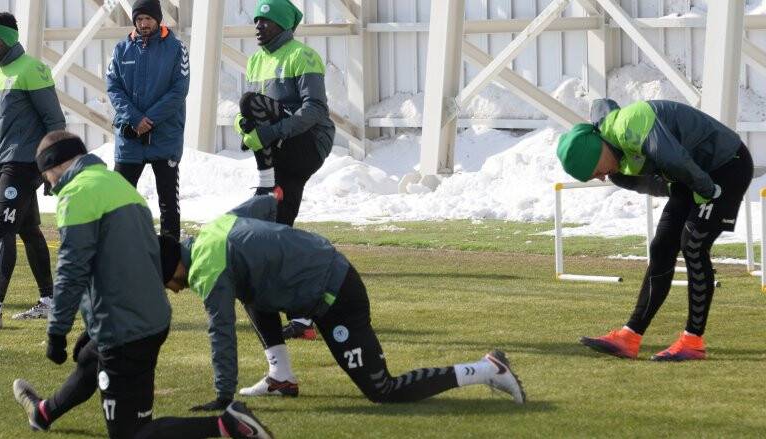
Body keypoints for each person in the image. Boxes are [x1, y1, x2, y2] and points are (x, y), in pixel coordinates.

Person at [11, 131, 272, 439]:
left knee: (132, 434)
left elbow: (72, 268)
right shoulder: (119, 185)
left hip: (125, 329)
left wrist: (57, 331)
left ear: (54, 166)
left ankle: (229, 424)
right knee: (90, 361)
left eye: (46, 177)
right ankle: (43, 413)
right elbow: (131, 262)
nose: (49, 185)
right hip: (150, 317)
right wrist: (94, 327)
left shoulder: (76, 194)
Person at [158, 195, 527, 411]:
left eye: (168, 284)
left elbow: (221, 332)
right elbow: (266, 204)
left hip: (337, 295)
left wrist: (223, 397)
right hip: (322, 269)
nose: (174, 291)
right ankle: (281, 377)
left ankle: (488, 369)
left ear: (175, 267)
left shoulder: (207, 269)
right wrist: (282, 248)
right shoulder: (213, 229)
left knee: (383, 391)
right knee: (252, 291)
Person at [556, 98, 754, 361]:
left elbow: (675, 159)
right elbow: (660, 184)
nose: (601, 177)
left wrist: (708, 192)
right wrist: (682, 193)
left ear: (594, 152)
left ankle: (692, 341)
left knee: (693, 244)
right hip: (693, 173)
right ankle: (630, 337)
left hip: (727, 165)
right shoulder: (617, 168)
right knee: (661, 247)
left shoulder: (630, 124)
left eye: (595, 172)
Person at [233, 0, 335, 341]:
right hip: (279, 150)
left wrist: (271, 133)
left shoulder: (302, 56)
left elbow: (316, 109)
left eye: (265, 21)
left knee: (273, 228)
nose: (258, 27)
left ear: (282, 25)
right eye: (256, 21)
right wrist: (243, 129)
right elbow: (247, 114)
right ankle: (302, 317)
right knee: (277, 230)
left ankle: (302, 308)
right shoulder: (255, 60)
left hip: (307, 143)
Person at [0, 12, 65, 329]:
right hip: (2, 164)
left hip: (24, 164)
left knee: (2, 226)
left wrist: (53, 166)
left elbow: (55, 121)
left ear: (7, 39)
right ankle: (49, 302)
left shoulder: (32, 69)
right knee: (29, 230)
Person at [106, 0, 190, 240]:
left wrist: (149, 120)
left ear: (158, 19)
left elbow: (179, 90)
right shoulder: (121, 49)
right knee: (118, 201)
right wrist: (135, 119)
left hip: (165, 138)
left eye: (148, 19)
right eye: (139, 19)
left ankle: (170, 256)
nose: (143, 24)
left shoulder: (177, 48)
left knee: (168, 204)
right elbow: (113, 87)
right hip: (130, 139)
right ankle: (123, 251)